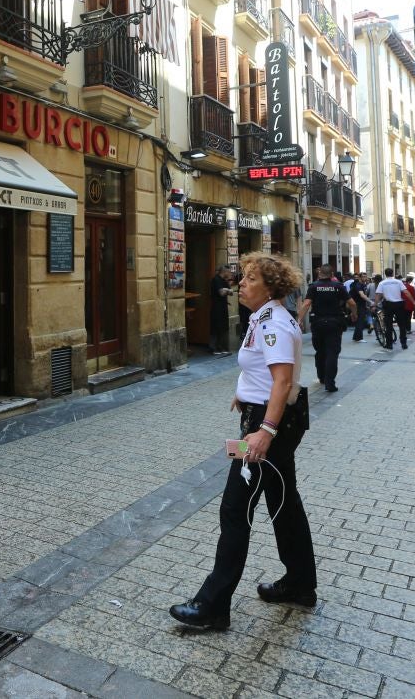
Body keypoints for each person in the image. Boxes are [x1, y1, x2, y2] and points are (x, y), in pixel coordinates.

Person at [169, 253, 317, 630]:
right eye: (243, 277)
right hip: (268, 417)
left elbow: (283, 381)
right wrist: (245, 393)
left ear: (269, 288)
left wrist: (264, 430)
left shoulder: (273, 324)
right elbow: (266, 375)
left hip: (270, 425)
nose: (241, 284)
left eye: (250, 279)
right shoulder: (264, 318)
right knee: (283, 502)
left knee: (235, 510)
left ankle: (213, 605)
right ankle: (300, 583)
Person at [299, 265, 353, 392]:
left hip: (318, 323)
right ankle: (330, 383)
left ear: (319, 273)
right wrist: (354, 313)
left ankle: (321, 377)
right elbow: (352, 303)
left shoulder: (313, 286)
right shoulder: (339, 287)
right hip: (334, 323)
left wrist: (299, 320)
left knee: (320, 351)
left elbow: (306, 304)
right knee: (332, 353)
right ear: (332, 274)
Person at [376, 268, 408, 350]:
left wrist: (375, 304)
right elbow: (406, 292)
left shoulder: (382, 283)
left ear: (385, 274)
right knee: (402, 325)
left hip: (388, 305)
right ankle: (403, 343)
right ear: (392, 273)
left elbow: (378, 295)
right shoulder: (398, 282)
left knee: (388, 325)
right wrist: (413, 302)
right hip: (399, 305)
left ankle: (389, 344)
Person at [209, 265, 234, 355]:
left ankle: (222, 347)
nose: (230, 273)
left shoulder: (224, 281)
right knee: (216, 326)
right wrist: (226, 290)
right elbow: (221, 293)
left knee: (223, 327)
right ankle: (214, 348)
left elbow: (231, 293)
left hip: (223, 307)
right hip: (216, 307)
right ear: (224, 272)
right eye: (229, 272)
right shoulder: (216, 280)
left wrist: (226, 289)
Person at [348, 273, 372, 342]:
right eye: (363, 277)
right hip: (358, 305)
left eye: (365, 276)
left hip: (361, 304)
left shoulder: (363, 285)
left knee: (360, 320)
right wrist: (370, 301)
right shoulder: (358, 285)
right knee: (360, 321)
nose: (365, 278)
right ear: (360, 278)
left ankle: (356, 337)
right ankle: (359, 338)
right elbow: (362, 295)